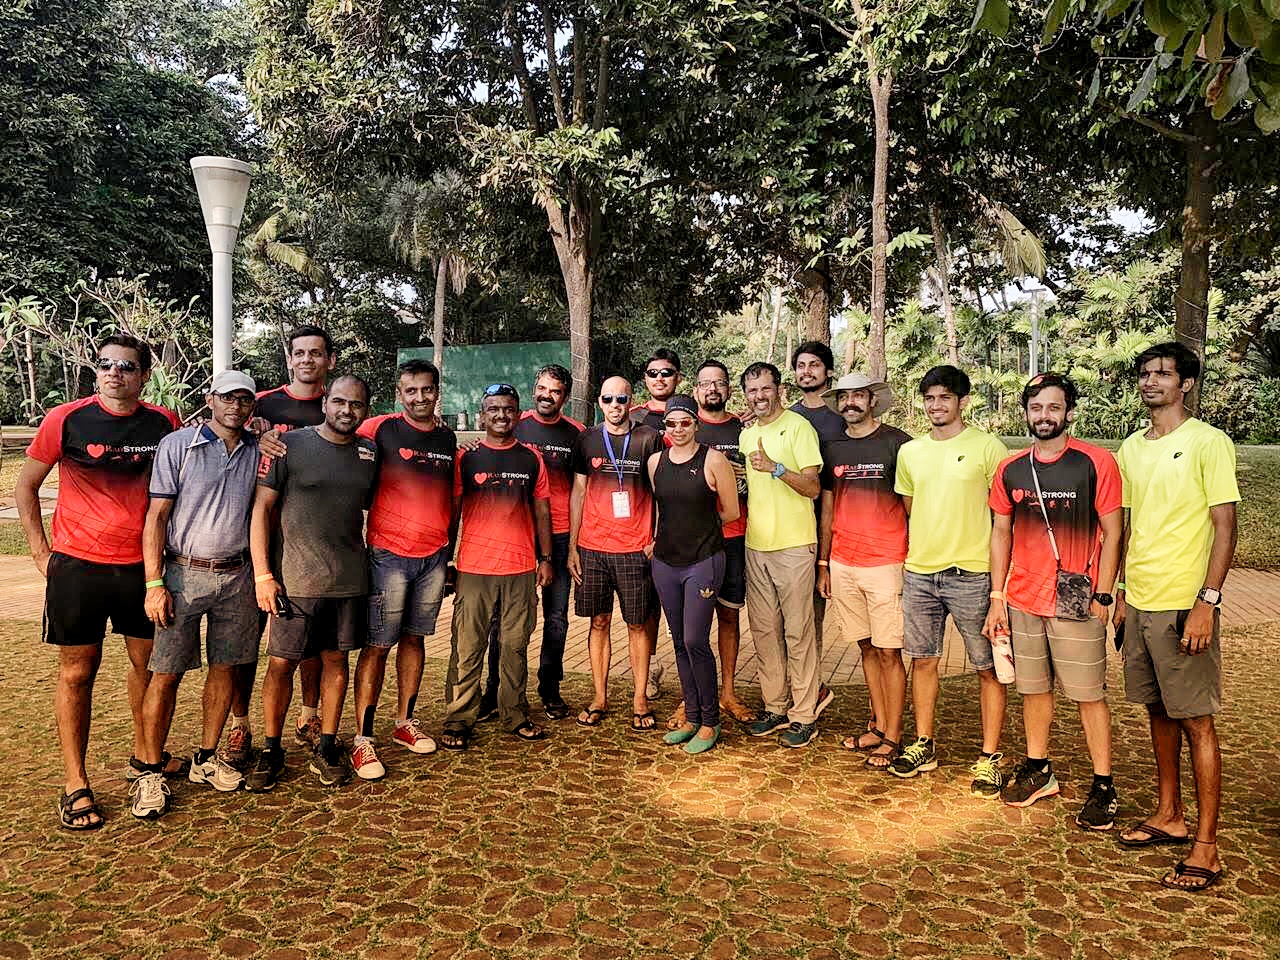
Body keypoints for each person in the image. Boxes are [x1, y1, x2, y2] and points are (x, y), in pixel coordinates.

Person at [15, 334, 180, 829]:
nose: (114, 373)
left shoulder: (163, 423)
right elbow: (26, 486)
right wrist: (40, 552)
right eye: (106, 364)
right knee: (77, 672)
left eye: (126, 366)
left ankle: (145, 758)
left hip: (143, 570)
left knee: (148, 666)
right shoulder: (65, 419)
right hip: (78, 568)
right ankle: (76, 783)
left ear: (144, 375)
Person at [1114, 342, 1239, 892]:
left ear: (1185, 383)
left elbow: (1225, 527)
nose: (1151, 381)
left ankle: (1206, 845)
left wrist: (1207, 603)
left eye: (1163, 374)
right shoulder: (1131, 447)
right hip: (1140, 600)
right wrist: (1120, 592)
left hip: (1184, 603)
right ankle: (1170, 815)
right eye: (1145, 374)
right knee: (1158, 711)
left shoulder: (1209, 442)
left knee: (1197, 720)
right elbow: (1127, 525)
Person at [984, 373, 1123, 829]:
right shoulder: (1010, 468)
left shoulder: (1096, 462)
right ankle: (1039, 767)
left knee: (1088, 694)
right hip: (1024, 597)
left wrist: (1105, 592)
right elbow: (1001, 532)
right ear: (1026, 413)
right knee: (1033, 688)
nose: (1044, 416)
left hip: (1077, 599)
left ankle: (1103, 784)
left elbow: (1113, 531)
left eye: (1054, 407)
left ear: (1069, 412)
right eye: (1036, 407)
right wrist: (998, 595)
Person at [132, 371, 261, 817]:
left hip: (237, 575)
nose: (235, 406)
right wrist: (154, 583)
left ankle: (206, 757)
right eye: (227, 397)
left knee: (225, 667)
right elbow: (156, 517)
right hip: (183, 574)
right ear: (210, 399)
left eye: (244, 399)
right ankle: (150, 770)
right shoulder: (178, 446)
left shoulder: (258, 449)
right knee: (165, 673)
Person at [248, 375, 378, 791]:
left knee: (336, 663)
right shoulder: (288, 445)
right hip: (295, 581)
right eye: (339, 401)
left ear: (366, 410)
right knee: (281, 664)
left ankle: (326, 745)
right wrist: (264, 575)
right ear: (325, 404)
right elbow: (261, 510)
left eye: (356, 404)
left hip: (348, 580)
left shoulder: (369, 453)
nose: (346, 410)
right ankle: (272, 748)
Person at [890, 365, 1009, 796]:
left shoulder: (988, 448)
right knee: (923, 660)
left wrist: (998, 587)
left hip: (973, 574)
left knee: (987, 666)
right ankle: (924, 743)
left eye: (945, 397)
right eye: (929, 398)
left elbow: (1003, 516)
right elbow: (911, 506)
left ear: (963, 401)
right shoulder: (911, 452)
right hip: (921, 572)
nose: (936, 405)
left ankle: (990, 756)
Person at [346, 360, 457, 780]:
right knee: (378, 645)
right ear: (399, 393)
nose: (419, 397)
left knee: (415, 639)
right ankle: (362, 738)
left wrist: (449, 555)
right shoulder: (379, 429)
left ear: (437, 392)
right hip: (388, 556)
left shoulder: (447, 438)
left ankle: (404, 722)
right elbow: (336, 436)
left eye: (427, 389)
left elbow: (453, 498)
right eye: (411, 390)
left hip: (433, 557)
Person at [237, 324, 337, 769]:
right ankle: (241, 725)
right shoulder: (261, 406)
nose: (307, 360)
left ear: (329, 360)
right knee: (246, 642)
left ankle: (310, 716)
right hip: (258, 541)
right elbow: (225, 439)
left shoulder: (338, 407)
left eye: (316, 353)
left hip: (311, 547)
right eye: (300, 353)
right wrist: (253, 435)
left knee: (310, 643)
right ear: (289, 358)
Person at [440, 384, 554, 749]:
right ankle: (459, 718)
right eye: (493, 409)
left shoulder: (531, 458)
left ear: (518, 414)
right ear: (481, 415)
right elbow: (453, 512)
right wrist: (447, 560)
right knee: (467, 646)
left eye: (508, 409)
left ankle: (515, 714)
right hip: (474, 569)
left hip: (520, 569)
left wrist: (546, 559)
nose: (501, 415)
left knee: (514, 647)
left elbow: (542, 511)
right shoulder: (466, 458)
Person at [815, 372, 911, 770]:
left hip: (887, 561)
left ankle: (894, 736)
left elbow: (912, 506)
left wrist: (912, 558)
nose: (850, 402)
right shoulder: (833, 448)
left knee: (890, 651)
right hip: (844, 561)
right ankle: (877, 724)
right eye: (844, 397)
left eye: (858, 395)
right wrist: (824, 563)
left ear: (872, 400)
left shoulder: (898, 443)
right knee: (866, 647)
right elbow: (827, 510)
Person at [479, 365, 584, 721]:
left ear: (565, 396)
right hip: (519, 535)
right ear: (534, 389)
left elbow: (581, 490)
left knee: (556, 619)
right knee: (503, 619)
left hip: (561, 536)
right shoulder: (515, 424)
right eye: (542, 388)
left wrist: (574, 545)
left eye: (555, 391)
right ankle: (495, 690)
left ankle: (550, 687)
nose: (546, 395)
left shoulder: (576, 433)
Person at [569, 375, 665, 731]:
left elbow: (661, 491)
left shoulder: (648, 438)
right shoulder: (587, 439)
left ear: (631, 401)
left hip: (635, 548)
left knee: (637, 624)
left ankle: (639, 698)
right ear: (599, 401)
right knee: (599, 622)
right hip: (593, 548)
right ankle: (599, 697)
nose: (614, 406)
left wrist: (657, 537)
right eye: (608, 399)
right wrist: (572, 546)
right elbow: (578, 492)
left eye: (621, 399)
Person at [646, 396, 740, 755]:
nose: (678, 429)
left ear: (696, 424)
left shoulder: (713, 460)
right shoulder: (655, 462)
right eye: (671, 423)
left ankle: (710, 721)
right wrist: (657, 541)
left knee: (695, 640)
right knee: (679, 642)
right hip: (666, 563)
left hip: (703, 560)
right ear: (665, 427)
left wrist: (698, 529)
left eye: (685, 422)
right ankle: (692, 716)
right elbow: (662, 509)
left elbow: (731, 512)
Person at [738, 362, 824, 748]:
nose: (759, 396)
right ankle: (775, 706)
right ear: (745, 395)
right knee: (764, 631)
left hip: (794, 546)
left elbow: (813, 487)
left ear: (779, 389)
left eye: (765, 388)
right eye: (752, 390)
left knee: (798, 631)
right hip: (756, 545)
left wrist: (775, 468)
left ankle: (804, 715)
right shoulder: (746, 435)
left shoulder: (799, 428)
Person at [690, 360, 755, 724]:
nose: (712, 389)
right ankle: (691, 696)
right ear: (696, 390)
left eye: (719, 382)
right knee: (692, 623)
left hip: (734, 536)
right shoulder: (684, 427)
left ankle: (728, 692)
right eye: (706, 383)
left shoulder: (744, 428)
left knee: (729, 616)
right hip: (693, 541)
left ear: (729, 389)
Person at [790, 341, 844, 717]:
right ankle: (809, 687)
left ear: (828, 371)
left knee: (813, 616)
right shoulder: (788, 416)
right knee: (796, 618)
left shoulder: (840, 417)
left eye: (814, 365)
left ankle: (812, 688)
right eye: (801, 365)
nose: (807, 371)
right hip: (795, 529)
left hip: (835, 525)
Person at [631, 348, 682, 432]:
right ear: (645, 378)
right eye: (652, 373)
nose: (659, 378)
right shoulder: (632, 417)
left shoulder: (692, 415)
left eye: (666, 373)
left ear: (678, 377)